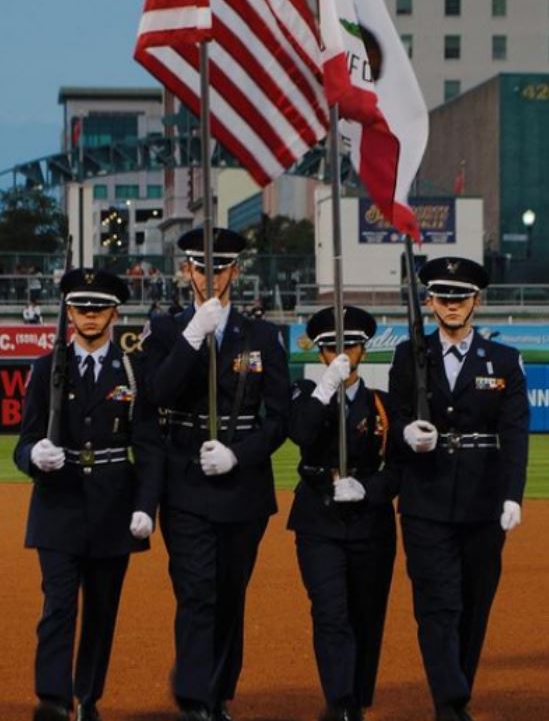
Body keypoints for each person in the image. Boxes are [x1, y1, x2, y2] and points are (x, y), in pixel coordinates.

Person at [141, 226, 290, 721]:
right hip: (184, 480)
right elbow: (157, 394)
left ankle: (220, 693)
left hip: (242, 484)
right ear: (187, 271)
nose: (210, 276)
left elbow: (280, 419)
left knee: (229, 594)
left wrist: (239, 455)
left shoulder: (263, 335)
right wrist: (192, 336)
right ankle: (195, 700)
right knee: (196, 590)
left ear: (235, 271)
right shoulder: (164, 330)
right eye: (201, 267)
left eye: (220, 268)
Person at [14, 268, 165, 721]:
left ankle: (87, 698)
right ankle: (53, 700)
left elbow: (150, 446)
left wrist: (145, 506)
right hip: (58, 504)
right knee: (58, 605)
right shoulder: (46, 368)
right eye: (81, 308)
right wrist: (33, 455)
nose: (90, 316)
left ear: (115, 312)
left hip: (112, 505)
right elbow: (25, 440)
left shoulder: (134, 370)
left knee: (101, 612)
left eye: (99, 308)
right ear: (69, 311)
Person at [388, 257, 530, 721]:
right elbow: (398, 414)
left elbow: (515, 431)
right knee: (436, 603)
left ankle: (455, 691)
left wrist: (513, 494)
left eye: (460, 297)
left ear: (476, 301)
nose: (451, 305)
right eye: (443, 296)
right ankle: (450, 702)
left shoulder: (503, 361)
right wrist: (408, 433)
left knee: (473, 604)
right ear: (428, 301)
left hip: (483, 499)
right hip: (426, 498)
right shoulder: (410, 355)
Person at [288, 306, 399, 721]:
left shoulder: (383, 404)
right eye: (331, 347)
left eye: (349, 346)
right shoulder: (303, 393)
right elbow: (299, 433)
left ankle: (357, 698)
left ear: (363, 352)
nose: (341, 353)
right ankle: (340, 703)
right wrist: (325, 389)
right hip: (319, 519)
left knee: (367, 615)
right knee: (330, 611)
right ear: (319, 354)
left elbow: (401, 469)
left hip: (371, 522)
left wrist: (369, 489)